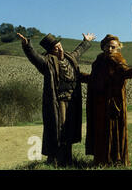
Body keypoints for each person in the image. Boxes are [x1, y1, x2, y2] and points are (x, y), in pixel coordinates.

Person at [17, 32, 96, 166]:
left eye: (60, 46)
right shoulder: (47, 62)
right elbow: (34, 57)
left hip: (73, 101)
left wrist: (86, 41)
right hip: (59, 102)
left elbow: (79, 50)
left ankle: (68, 160)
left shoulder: (70, 57)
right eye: (55, 48)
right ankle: (55, 160)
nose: (60, 49)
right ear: (50, 51)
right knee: (59, 130)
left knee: (70, 129)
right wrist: (27, 46)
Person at [83, 34, 132, 166]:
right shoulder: (99, 60)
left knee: (114, 130)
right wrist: (80, 76)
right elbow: (94, 78)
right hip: (99, 102)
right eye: (108, 46)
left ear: (119, 48)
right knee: (100, 130)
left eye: (114, 47)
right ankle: (101, 160)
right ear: (103, 47)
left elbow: (126, 72)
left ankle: (115, 160)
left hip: (113, 103)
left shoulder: (117, 60)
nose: (111, 49)